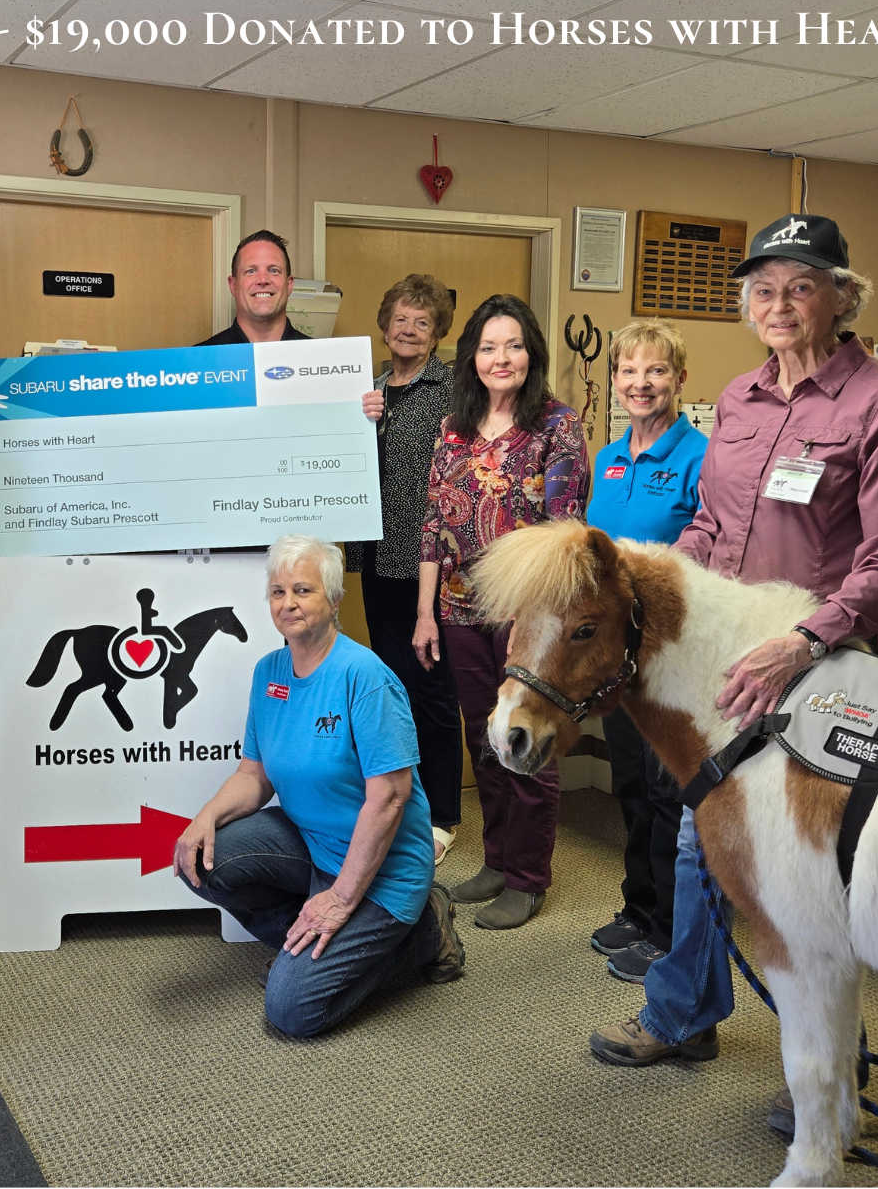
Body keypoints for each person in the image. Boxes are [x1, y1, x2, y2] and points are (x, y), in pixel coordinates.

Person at [589, 215, 878, 1141]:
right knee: (709, 843)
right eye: (764, 290)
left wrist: (799, 639)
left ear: (842, 296)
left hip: (826, 669)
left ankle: (828, 1068)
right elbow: (711, 529)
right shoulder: (736, 399)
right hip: (732, 668)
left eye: (801, 286)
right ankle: (685, 1014)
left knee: (813, 874)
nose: (779, 305)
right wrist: (648, 576)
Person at [174, 535, 464, 1037]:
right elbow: (254, 776)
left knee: (291, 1011)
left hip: (382, 869)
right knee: (200, 858)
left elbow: (390, 796)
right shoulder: (270, 672)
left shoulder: (366, 677)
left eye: (303, 590)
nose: (288, 603)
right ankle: (310, 937)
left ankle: (425, 932)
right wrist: (205, 818)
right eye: (278, 591)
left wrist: (342, 899)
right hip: (312, 845)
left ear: (333, 600)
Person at [418, 294, 588, 930]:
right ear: (472, 357)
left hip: (529, 620)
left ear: (531, 353)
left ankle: (527, 876)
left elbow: (563, 531)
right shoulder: (453, 427)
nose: (500, 357)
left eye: (512, 345)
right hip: (458, 610)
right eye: (488, 347)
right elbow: (433, 522)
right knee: (480, 738)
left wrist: (536, 618)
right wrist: (425, 612)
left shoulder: (557, 426)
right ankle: (495, 858)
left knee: (526, 739)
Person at [582, 319, 706, 983]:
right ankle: (637, 906)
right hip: (617, 654)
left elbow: (710, 550)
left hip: (671, 652)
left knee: (667, 793)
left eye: (655, 371)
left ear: (679, 380)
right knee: (629, 781)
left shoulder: (699, 457)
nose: (641, 383)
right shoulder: (608, 459)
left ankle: (666, 928)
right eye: (629, 371)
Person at [349, 275, 464, 864]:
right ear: (384, 323)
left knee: (433, 690)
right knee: (392, 687)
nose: (410, 330)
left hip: (428, 566)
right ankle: (403, 803)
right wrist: (353, 419)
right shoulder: (365, 389)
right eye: (401, 318)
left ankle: (443, 814)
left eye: (423, 321)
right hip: (375, 558)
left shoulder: (453, 392)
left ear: (439, 331)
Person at [195, 230, 311, 346]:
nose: (263, 280)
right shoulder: (199, 359)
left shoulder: (322, 356)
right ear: (233, 285)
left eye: (274, 270)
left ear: (289, 285)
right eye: (250, 271)